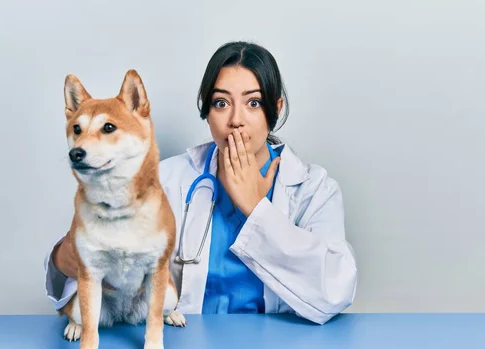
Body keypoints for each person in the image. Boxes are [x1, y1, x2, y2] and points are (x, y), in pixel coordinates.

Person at [44, 41, 357, 325]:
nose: (236, 119)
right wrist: (62, 260)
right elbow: (94, 265)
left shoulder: (314, 189)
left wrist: (257, 209)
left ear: (275, 109)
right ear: (206, 110)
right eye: (221, 103)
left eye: (253, 103)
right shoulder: (164, 180)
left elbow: (335, 291)